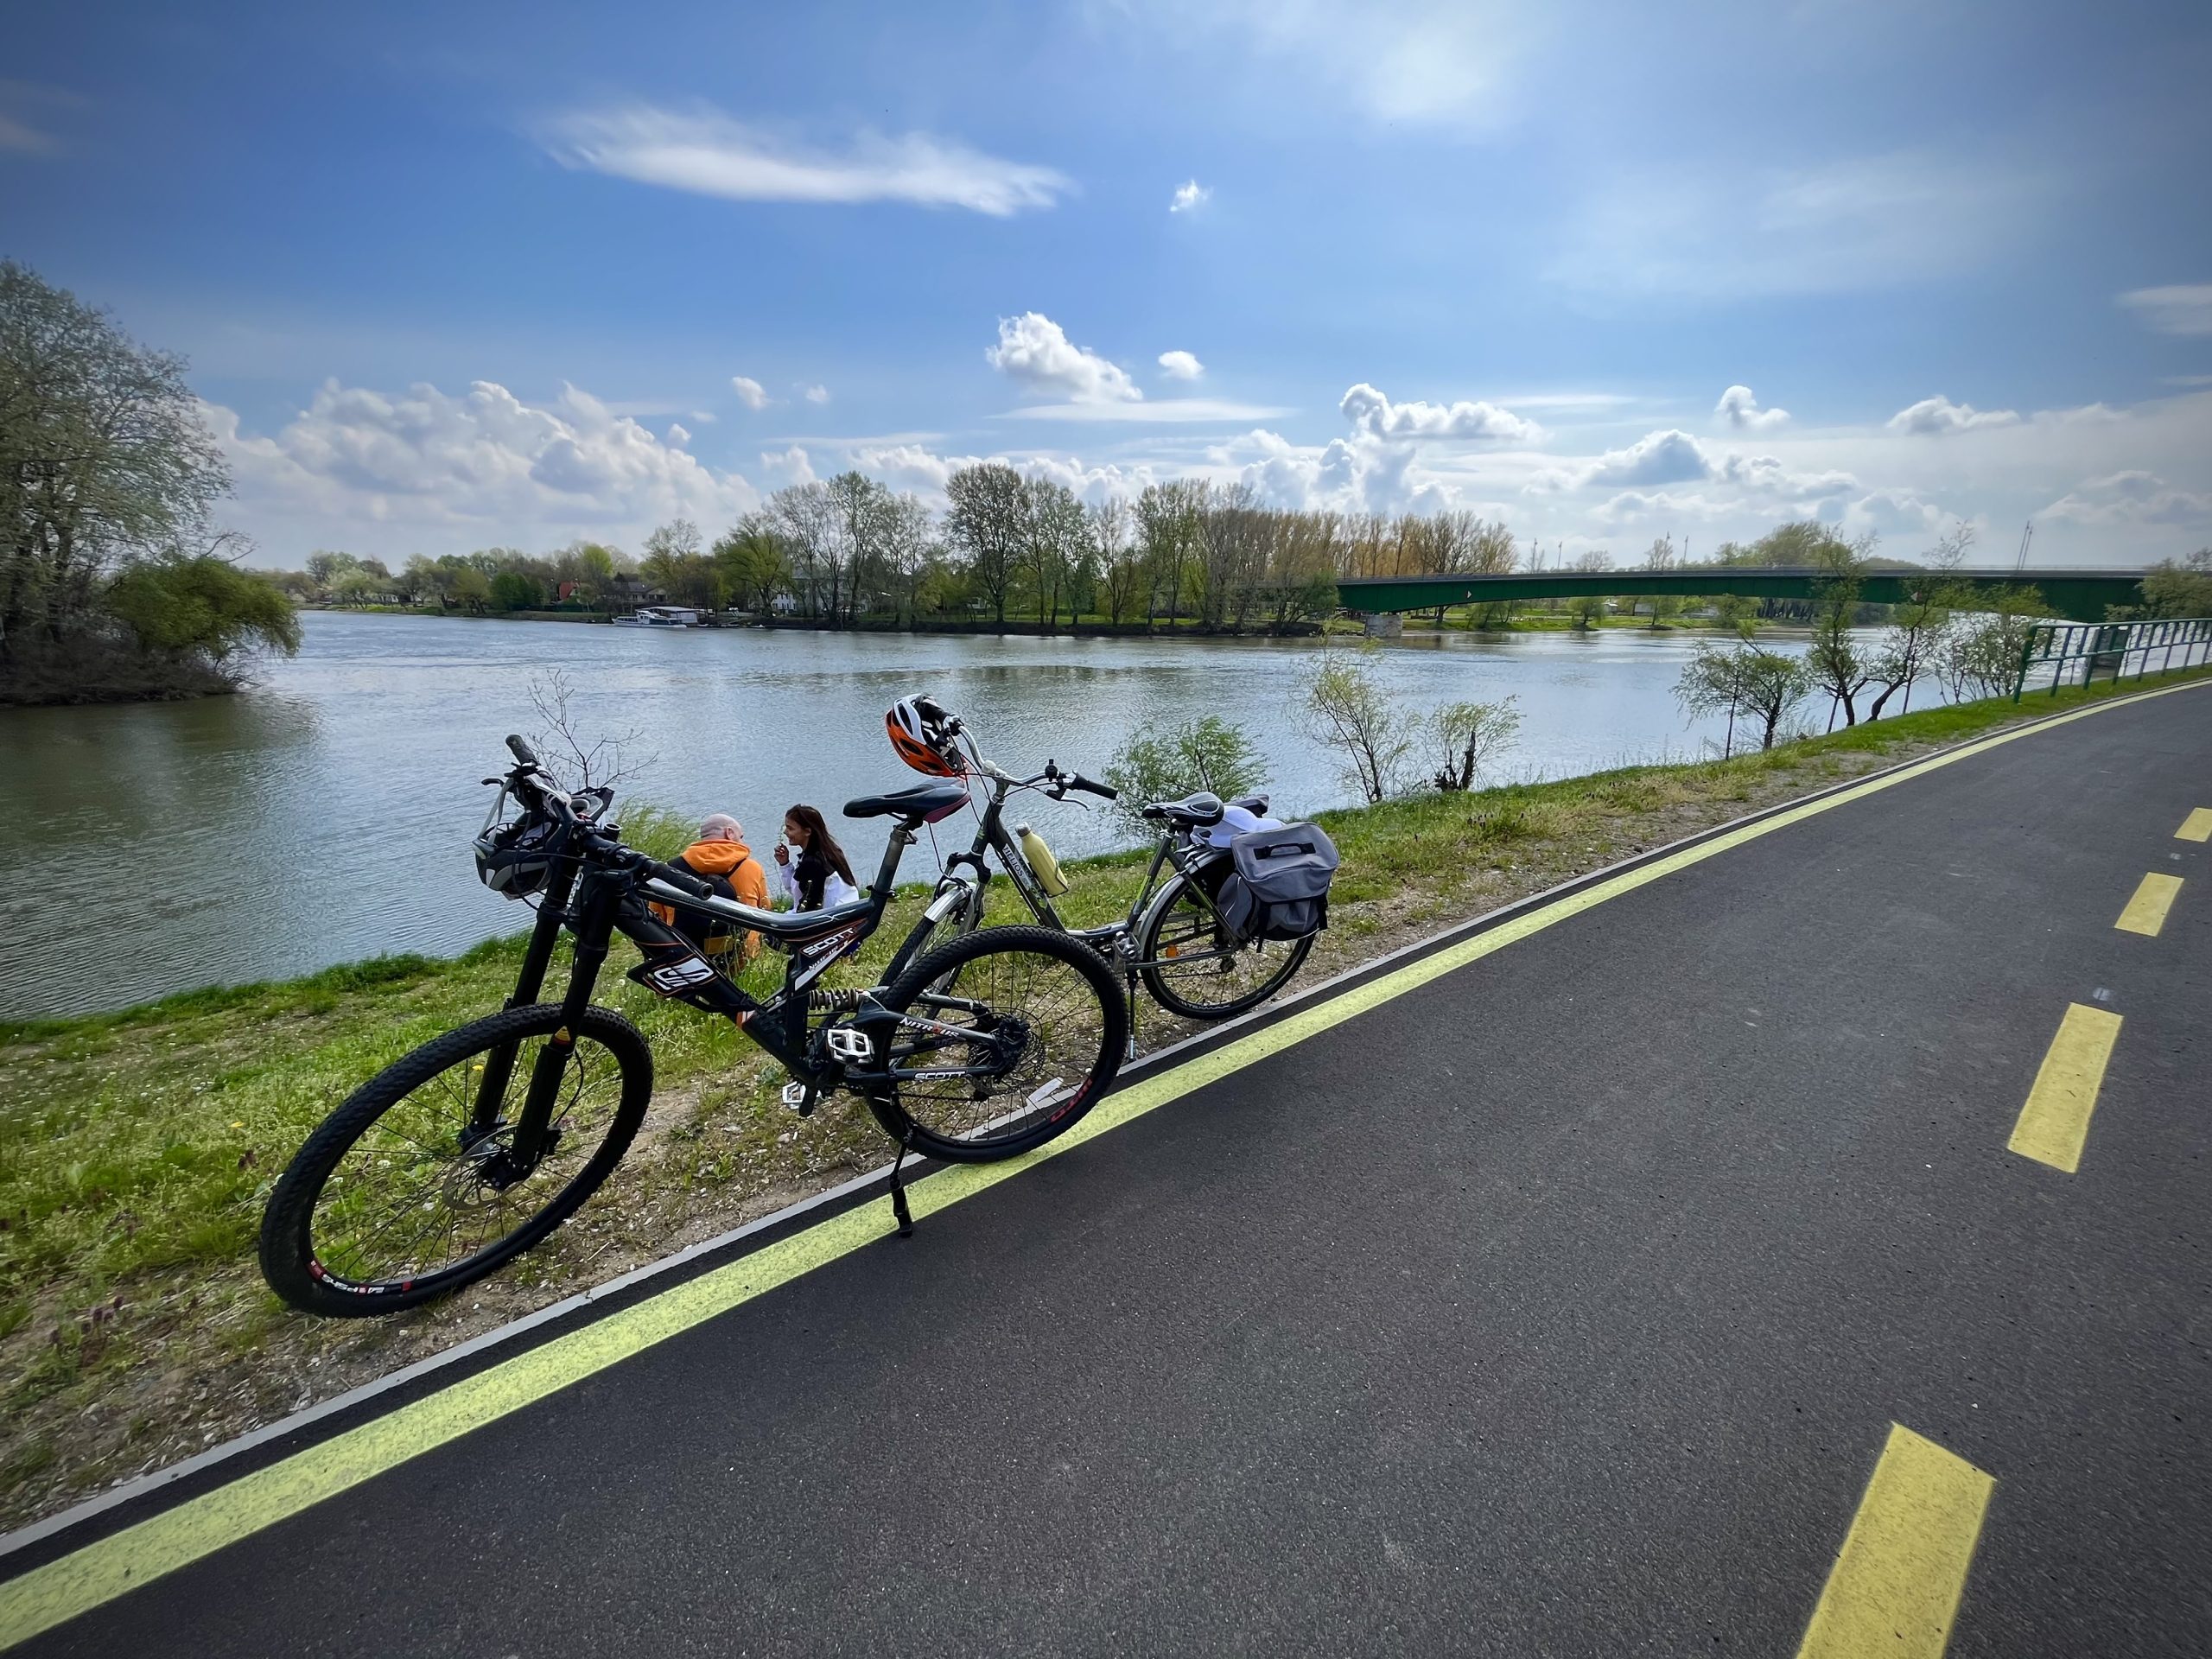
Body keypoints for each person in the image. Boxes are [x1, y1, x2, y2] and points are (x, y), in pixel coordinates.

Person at [649, 813, 771, 961]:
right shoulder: (751, 868)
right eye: (741, 837)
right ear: (729, 833)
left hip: (684, 955)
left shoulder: (670, 869)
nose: (742, 842)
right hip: (740, 957)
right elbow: (765, 911)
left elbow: (656, 917)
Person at [775, 804, 860, 912]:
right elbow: (799, 890)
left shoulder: (814, 863)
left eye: (790, 828)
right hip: (843, 914)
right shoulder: (828, 852)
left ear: (807, 831)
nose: (785, 832)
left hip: (834, 917)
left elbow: (809, 908)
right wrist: (785, 864)